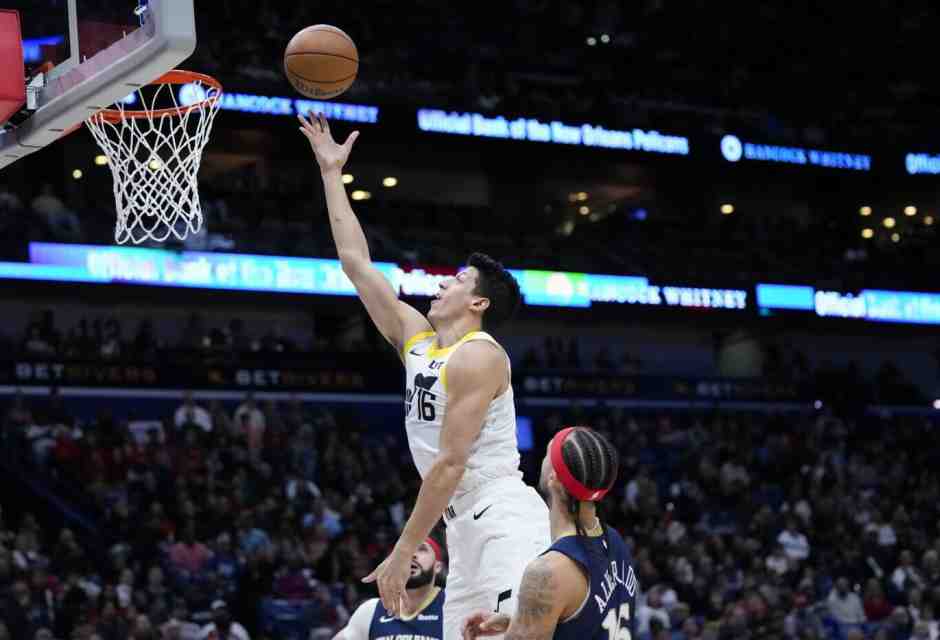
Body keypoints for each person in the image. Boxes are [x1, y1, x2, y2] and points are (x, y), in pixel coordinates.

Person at [299, 112, 550, 640]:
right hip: (460, 526)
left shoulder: (480, 355)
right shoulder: (418, 341)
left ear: (478, 302)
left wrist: (404, 549)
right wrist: (330, 173)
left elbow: (451, 462)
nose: (442, 283)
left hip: (502, 516)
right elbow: (355, 262)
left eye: (458, 279)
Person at [461, 426, 637, 640]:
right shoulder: (615, 542)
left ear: (553, 478)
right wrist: (521, 621)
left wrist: (526, 624)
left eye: (547, 453)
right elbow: (590, 622)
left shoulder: (548, 572)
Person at [334, 537, 446, 640]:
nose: (412, 554)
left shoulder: (453, 607)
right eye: (405, 550)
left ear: (438, 566)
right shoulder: (370, 610)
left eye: (422, 549)